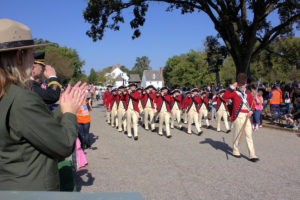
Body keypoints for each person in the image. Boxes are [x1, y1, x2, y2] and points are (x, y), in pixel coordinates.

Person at [0, 19, 87, 190]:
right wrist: (70, 113)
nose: (33, 61)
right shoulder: (22, 98)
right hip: (31, 190)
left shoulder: (7, 94)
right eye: (32, 54)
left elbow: (34, 124)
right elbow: (64, 145)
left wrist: (62, 108)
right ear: (19, 55)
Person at [223, 73, 259, 162]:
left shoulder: (249, 94)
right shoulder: (234, 93)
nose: (241, 86)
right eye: (239, 84)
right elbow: (225, 97)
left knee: (249, 135)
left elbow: (252, 105)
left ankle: (252, 154)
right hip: (238, 116)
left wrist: (251, 111)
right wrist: (231, 87)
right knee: (237, 134)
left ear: (246, 84)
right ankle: (235, 151)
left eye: (242, 85)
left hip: (247, 116)